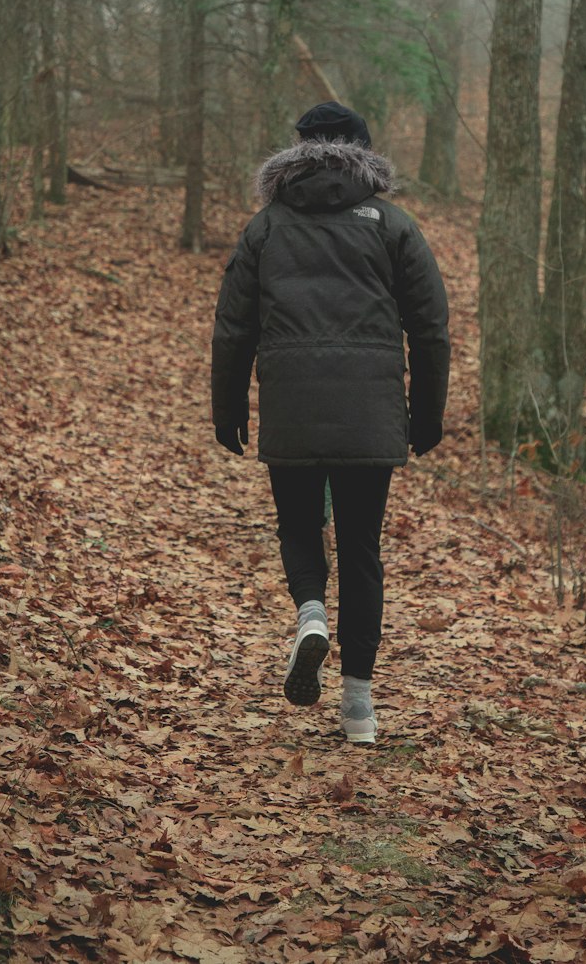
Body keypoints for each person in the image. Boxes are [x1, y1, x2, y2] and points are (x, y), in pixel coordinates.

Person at [211, 101, 450, 744]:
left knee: (298, 525)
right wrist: (426, 417)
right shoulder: (392, 226)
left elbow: (233, 326)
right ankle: (359, 710)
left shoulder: (266, 227)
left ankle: (311, 616)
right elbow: (431, 329)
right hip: (371, 414)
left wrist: (227, 408)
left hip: (291, 406)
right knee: (362, 547)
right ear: (363, 153)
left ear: (296, 155)